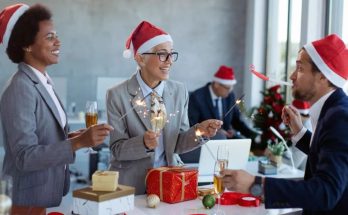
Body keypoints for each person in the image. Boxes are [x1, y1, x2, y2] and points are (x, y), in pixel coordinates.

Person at [0, 3, 113, 213]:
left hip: (39, 194)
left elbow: (41, 135)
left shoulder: (42, 81)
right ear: (26, 44)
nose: (58, 42)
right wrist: (77, 143)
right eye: (49, 36)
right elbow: (25, 155)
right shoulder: (20, 87)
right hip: (25, 199)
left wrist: (71, 138)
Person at [222, 34, 348, 214]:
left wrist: (256, 184)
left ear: (322, 76)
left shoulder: (339, 117)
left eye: (300, 68)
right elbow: (324, 153)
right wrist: (299, 132)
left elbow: (326, 193)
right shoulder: (333, 110)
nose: (292, 76)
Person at [106, 21, 222, 194]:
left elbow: (178, 144)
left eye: (171, 54)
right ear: (140, 58)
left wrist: (200, 132)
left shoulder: (179, 91)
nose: (169, 61)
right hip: (131, 187)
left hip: (170, 184)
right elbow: (117, 150)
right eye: (162, 54)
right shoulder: (117, 95)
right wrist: (143, 143)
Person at [188, 65, 257, 140]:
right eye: (227, 88)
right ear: (217, 84)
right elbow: (192, 126)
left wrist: (254, 136)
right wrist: (215, 132)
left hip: (226, 139)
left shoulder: (230, 96)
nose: (230, 91)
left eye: (231, 88)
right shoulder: (197, 97)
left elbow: (237, 121)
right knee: (220, 137)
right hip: (205, 140)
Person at [283, 99, 311, 170]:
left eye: (288, 114)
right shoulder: (306, 124)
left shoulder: (305, 130)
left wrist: (274, 158)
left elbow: (293, 164)